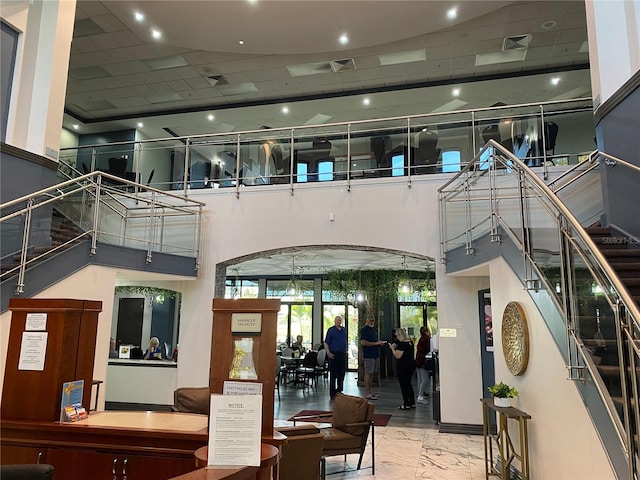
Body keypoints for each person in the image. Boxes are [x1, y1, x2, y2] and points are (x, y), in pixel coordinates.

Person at [360, 314, 386, 400]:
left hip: (375, 354)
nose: (372, 322)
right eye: (370, 320)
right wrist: (376, 343)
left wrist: (379, 343)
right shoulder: (364, 330)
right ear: (366, 320)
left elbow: (374, 341)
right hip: (369, 355)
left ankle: (370, 392)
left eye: (373, 320)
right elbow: (363, 342)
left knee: (372, 374)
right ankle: (367, 393)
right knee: (368, 373)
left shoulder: (372, 330)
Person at [390, 327, 416, 409]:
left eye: (397, 336)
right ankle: (412, 402)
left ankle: (406, 403)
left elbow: (397, 356)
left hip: (403, 367)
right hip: (411, 365)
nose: (396, 337)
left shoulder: (402, 345)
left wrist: (392, 349)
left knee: (403, 385)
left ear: (399, 335)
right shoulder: (410, 343)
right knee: (408, 384)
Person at [323, 315, 348, 399]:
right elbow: (326, 342)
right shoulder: (331, 330)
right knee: (333, 374)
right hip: (333, 354)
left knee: (342, 373)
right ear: (334, 321)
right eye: (337, 320)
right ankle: (332, 393)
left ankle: (339, 391)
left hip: (342, 354)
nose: (338, 321)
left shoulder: (344, 330)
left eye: (340, 320)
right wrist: (328, 353)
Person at [415, 326, 431, 404]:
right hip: (422, 361)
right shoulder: (427, 339)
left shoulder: (421, 339)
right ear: (426, 332)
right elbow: (428, 349)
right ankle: (420, 396)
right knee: (425, 379)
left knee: (420, 379)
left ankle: (420, 393)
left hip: (418, 360)